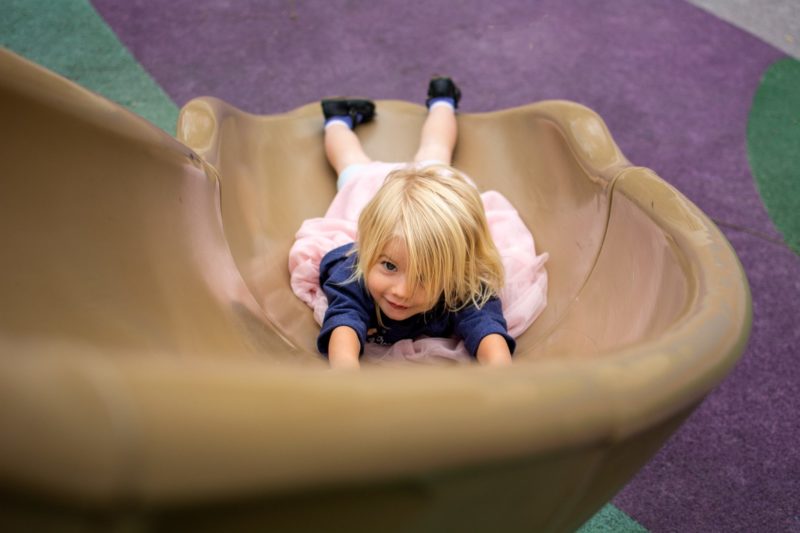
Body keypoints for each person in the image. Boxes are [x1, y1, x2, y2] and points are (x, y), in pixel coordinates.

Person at [312, 77, 515, 370]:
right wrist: (346, 375)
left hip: (436, 190)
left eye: (423, 276)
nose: (402, 291)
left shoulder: (461, 282)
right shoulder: (354, 272)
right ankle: (336, 121)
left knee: (437, 151)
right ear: (368, 249)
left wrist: (502, 376)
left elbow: (485, 324)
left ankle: (443, 102)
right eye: (389, 266)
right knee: (351, 165)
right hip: (373, 192)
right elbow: (345, 319)